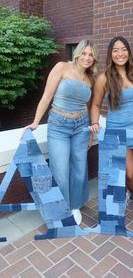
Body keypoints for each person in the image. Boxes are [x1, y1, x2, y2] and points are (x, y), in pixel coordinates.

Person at [25, 39, 99, 225]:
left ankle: (75, 205)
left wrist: (90, 131)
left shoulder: (90, 79)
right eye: (84, 53)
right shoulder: (62, 67)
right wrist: (35, 122)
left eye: (91, 55)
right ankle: (61, 208)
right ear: (77, 53)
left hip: (81, 125)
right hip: (58, 124)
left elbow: (89, 106)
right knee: (59, 168)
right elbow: (47, 96)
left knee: (79, 167)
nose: (87, 58)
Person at [90, 36, 133, 215]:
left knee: (127, 170)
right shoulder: (104, 78)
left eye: (123, 49)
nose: (120, 53)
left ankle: (125, 193)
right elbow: (95, 104)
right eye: (115, 50)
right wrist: (94, 122)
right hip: (117, 132)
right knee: (131, 173)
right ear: (110, 54)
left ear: (128, 52)